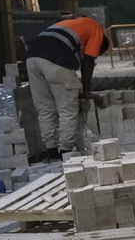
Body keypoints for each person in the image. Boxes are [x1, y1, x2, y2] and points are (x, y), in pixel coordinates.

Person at [26, 16, 106, 160]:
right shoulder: (96, 29)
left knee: (45, 109)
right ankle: (66, 155)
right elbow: (88, 61)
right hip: (56, 58)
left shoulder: (73, 23)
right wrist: (86, 92)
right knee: (67, 110)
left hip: (32, 57)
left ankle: (51, 152)